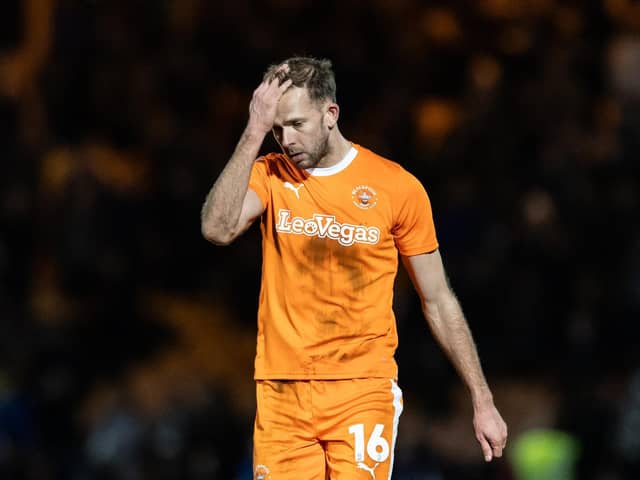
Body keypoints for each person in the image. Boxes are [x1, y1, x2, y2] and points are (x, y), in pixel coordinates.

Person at [201, 56, 507, 480]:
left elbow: (437, 299)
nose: (286, 139)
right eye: (277, 128)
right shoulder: (269, 175)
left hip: (360, 388)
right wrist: (253, 133)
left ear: (331, 114)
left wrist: (482, 399)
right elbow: (217, 229)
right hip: (282, 390)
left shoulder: (396, 188)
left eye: (296, 124)